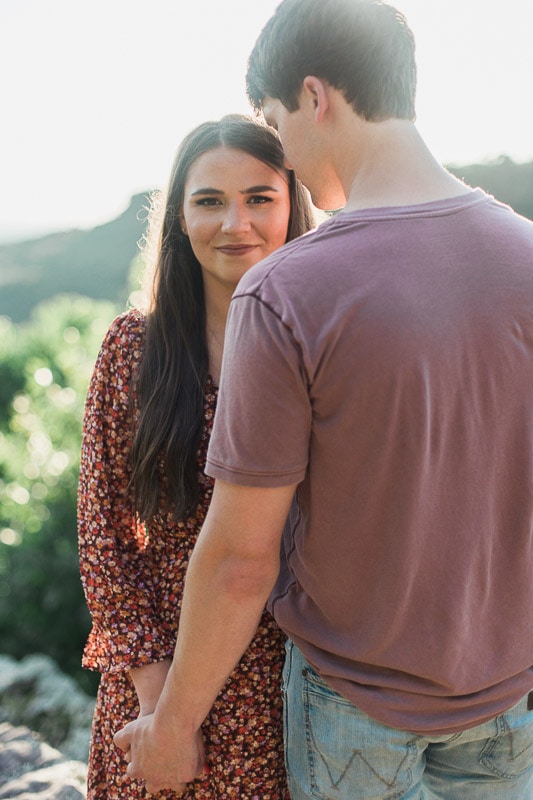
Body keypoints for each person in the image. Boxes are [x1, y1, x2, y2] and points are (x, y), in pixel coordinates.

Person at [114, 1, 533, 798]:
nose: (290, 156)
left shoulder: (285, 290)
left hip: (354, 706)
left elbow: (241, 557)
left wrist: (171, 725)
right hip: (506, 702)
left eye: (275, 121)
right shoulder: (527, 255)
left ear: (314, 96)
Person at [77, 112, 316, 800]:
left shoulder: (324, 348)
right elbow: (105, 538)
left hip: (292, 687)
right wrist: (160, 707)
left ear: (291, 207)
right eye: (209, 200)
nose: (234, 222)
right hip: (154, 683)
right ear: (179, 217)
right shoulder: (133, 349)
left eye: (259, 198)